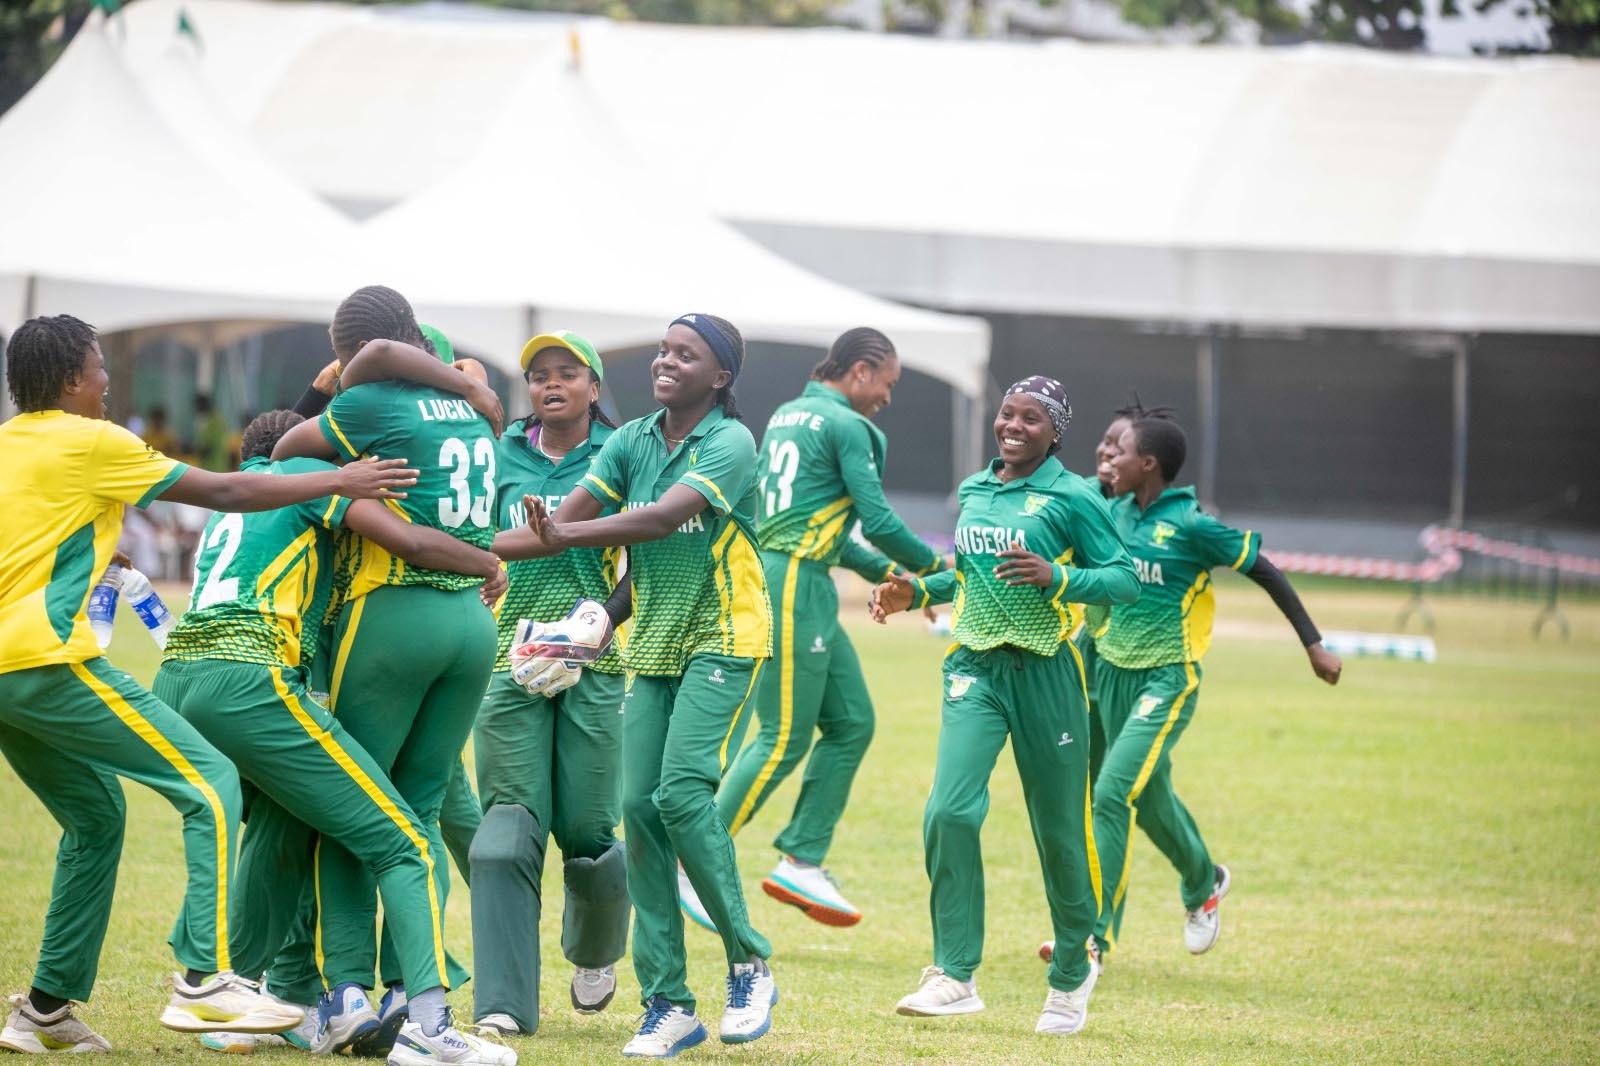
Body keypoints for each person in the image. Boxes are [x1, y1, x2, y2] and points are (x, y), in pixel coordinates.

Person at [0, 314, 416, 1053]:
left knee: (96, 820)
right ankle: (204, 981)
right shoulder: (94, 440)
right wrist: (342, 478)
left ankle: (44, 1011)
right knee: (210, 783)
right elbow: (228, 488)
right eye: (100, 369)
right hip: (45, 663)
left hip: (7, 676)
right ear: (71, 380)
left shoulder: (8, 445)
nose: (107, 383)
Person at [152, 405, 508, 1060]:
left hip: (177, 681)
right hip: (248, 680)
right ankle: (416, 1018)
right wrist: (486, 559)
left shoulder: (236, 500)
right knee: (400, 835)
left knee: (286, 829)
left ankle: (247, 994)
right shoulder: (309, 478)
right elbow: (413, 542)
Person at [496, 313, 777, 1058]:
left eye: (685, 355)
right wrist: (458, 552)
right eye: (662, 350)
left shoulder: (730, 441)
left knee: (681, 795)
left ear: (719, 376)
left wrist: (563, 535)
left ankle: (748, 961)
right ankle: (669, 1002)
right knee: (637, 811)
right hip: (653, 642)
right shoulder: (631, 440)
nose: (665, 362)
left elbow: (655, 521)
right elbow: (557, 523)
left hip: (725, 634)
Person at [270, 286, 505, 1064]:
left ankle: (346, 995)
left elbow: (282, 452)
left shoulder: (368, 398)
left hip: (394, 616)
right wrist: (468, 383)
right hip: (473, 625)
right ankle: (415, 995)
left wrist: (338, 389)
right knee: (422, 813)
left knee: (353, 809)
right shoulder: (474, 407)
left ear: (353, 352)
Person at [868, 375, 1138, 1037]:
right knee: (948, 810)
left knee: (1060, 835)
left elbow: (1125, 579)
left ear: (1054, 431)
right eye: (1007, 414)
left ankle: (1074, 969)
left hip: (1046, 673)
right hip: (974, 669)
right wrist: (916, 590)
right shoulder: (976, 490)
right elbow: (967, 572)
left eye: (1030, 418)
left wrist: (1061, 577)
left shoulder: (1074, 496)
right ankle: (954, 975)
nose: (1013, 426)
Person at [683, 327, 947, 932]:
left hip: (799, 575)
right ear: (861, 370)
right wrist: (939, 571)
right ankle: (692, 863)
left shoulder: (789, 414)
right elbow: (876, 520)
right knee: (781, 737)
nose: (887, 396)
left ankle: (803, 856)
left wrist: (894, 579)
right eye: (888, 382)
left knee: (853, 722)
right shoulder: (854, 428)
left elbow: (823, 532)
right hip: (793, 585)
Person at [1085, 414, 1341, 964]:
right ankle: (1204, 882)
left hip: (1166, 679)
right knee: (1149, 802)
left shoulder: (1193, 527)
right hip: (1111, 676)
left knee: (1109, 794)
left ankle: (1091, 938)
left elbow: (1264, 570)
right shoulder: (1111, 513)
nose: (1109, 458)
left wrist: (1312, 643)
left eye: (1120, 449)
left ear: (1149, 464)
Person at [467, 330, 631, 1039]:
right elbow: (470, 540)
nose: (551, 384)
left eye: (568, 373)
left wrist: (599, 621)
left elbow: (648, 561)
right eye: (538, 376)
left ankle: (595, 953)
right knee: (505, 829)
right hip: (510, 663)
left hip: (595, 664)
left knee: (590, 834)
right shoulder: (500, 457)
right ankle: (503, 996)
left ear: (594, 387)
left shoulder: (622, 456)